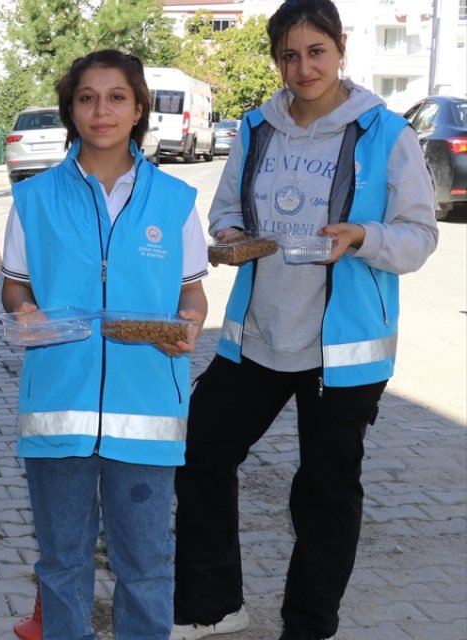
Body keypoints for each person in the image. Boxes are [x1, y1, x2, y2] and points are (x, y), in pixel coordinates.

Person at [170, 1, 438, 639]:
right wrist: (232, 234)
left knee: (324, 489)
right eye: (289, 55)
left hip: (342, 352)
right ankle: (213, 605)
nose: (302, 67)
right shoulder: (257, 129)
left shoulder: (384, 133)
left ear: (340, 47)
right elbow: (225, 209)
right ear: (276, 60)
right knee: (199, 454)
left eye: (315, 51)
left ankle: (309, 624)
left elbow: (420, 236)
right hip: (258, 337)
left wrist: (363, 237)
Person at [0, 49, 209, 640]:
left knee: (144, 567)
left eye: (117, 96)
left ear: (139, 107)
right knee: (61, 563)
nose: (102, 110)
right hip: (57, 411)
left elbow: (193, 296)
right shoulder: (35, 199)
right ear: (71, 108)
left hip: (146, 413)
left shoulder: (173, 201)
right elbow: (15, 287)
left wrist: (188, 328)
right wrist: (26, 311)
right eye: (87, 97)